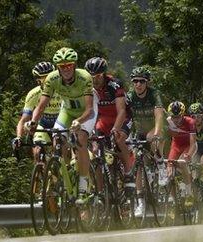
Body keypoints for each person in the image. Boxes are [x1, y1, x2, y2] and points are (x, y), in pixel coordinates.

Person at [26, 47, 96, 204]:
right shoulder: (52, 79)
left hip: (86, 112)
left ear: (74, 65)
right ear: (57, 67)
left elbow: (90, 109)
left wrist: (80, 121)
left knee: (81, 139)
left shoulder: (84, 77)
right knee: (58, 139)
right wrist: (33, 122)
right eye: (62, 66)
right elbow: (41, 106)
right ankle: (65, 178)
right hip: (67, 111)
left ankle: (84, 186)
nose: (66, 69)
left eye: (69, 65)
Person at [125, 66, 166, 216]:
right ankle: (140, 202)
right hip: (139, 131)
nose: (138, 84)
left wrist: (156, 132)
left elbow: (159, 115)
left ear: (147, 82)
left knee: (152, 137)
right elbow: (125, 115)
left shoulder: (154, 94)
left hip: (155, 128)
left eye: (141, 81)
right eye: (135, 81)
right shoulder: (130, 96)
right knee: (138, 165)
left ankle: (161, 164)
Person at [85, 57, 132, 176]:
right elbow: (90, 112)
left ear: (104, 74)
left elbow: (121, 111)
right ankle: (100, 192)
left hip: (123, 117)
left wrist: (116, 128)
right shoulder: (87, 87)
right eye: (92, 77)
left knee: (119, 139)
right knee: (96, 152)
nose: (95, 80)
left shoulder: (114, 84)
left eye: (98, 76)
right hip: (104, 119)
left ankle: (128, 173)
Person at [14, 61, 60, 160]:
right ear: (37, 80)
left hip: (61, 123)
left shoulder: (62, 90)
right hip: (43, 125)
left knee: (62, 152)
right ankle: (41, 172)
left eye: (49, 77)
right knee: (37, 152)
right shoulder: (33, 94)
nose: (47, 81)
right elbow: (24, 119)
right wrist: (19, 137)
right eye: (43, 78)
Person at [164, 101, 197, 207]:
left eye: (178, 117)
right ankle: (174, 201)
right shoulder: (168, 121)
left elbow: (192, 143)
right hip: (176, 146)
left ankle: (189, 193)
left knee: (182, 163)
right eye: (173, 117)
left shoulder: (190, 122)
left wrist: (189, 155)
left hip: (189, 146)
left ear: (182, 114)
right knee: (169, 174)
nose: (176, 119)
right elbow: (163, 139)